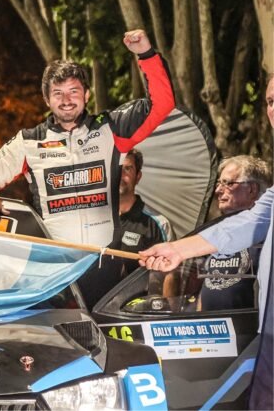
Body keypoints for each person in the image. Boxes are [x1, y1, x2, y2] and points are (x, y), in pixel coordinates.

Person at [0, 29, 175, 247]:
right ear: (47, 99)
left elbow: (162, 104)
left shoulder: (111, 129)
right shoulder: (29, 141)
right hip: (57, 260)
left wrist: (146, 54)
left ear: (86, 95)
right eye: (58, 93)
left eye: (73, 91)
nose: (66, 100)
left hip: (105, 258)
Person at [141, 75, 274, 409]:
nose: (273, 110)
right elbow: (245, 225)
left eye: (230, 184)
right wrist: (175, 250)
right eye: (271, 101)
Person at [162, 155, 270, 308]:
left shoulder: (266, 234)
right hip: (211, 322)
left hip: (247, 322)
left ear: (252, 189)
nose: (218, 190)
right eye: (219, 183)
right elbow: (205, 286)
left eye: (228, 183)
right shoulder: (215, 232)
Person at [116, 148, 174, 276]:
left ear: (138, 177)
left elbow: (169, 276)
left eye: (127, 169)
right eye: (116, 168)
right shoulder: (94, 218)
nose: (120, 174)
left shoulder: (159, 224)